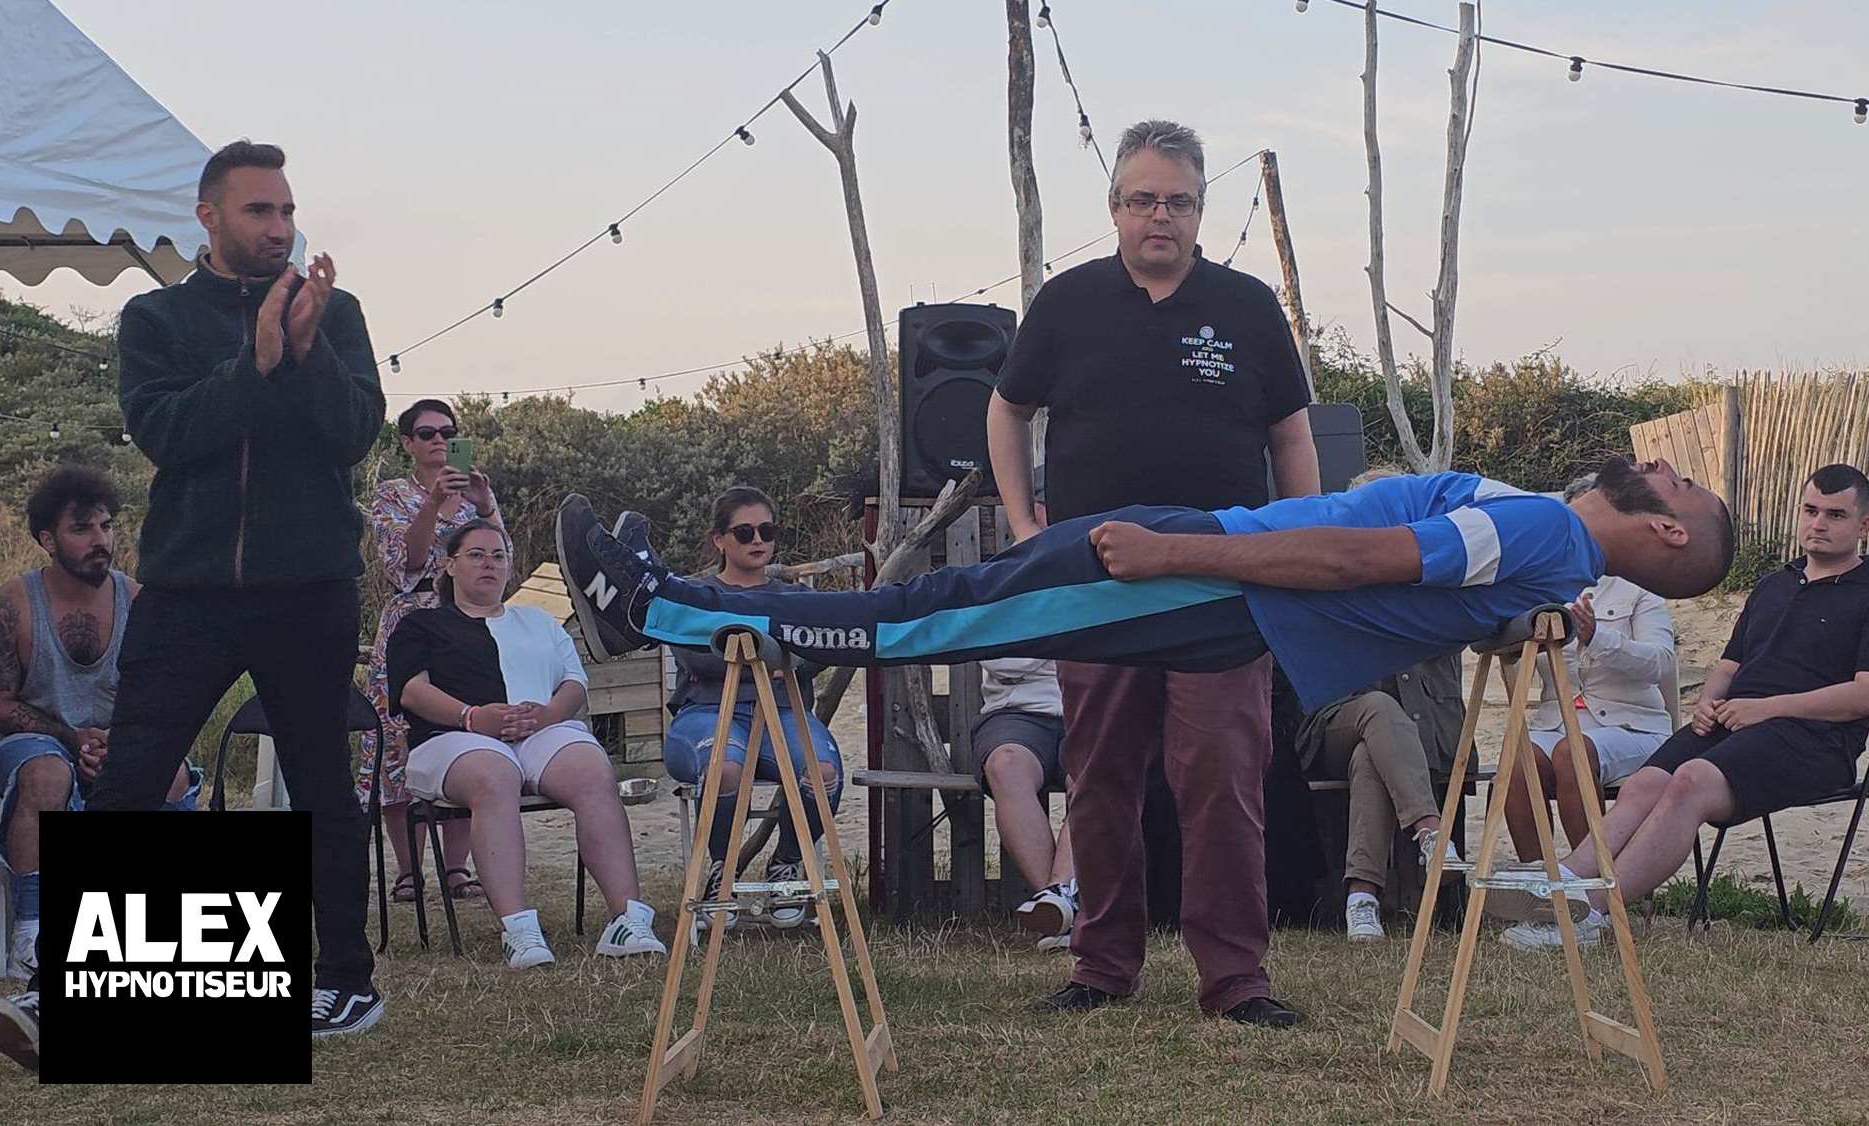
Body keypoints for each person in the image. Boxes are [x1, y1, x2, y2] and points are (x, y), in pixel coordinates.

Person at [558, 457, 1734, 952]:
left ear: (1667, 525)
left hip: (1209, 587)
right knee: (956, 596)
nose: (1651, 465)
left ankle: (654, 606)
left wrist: (1179, 556)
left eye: (1674, 480)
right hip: (1216, 571)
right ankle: (672, 594)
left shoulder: (1543, 532)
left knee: (944, 614)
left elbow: (1358, 560)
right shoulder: (1548, 539)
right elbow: (1441, 566)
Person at [983, 119, 1320, 1027]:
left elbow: (1292, 436)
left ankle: (1237, 980)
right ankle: (1101, 964)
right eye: (1142, 199)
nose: (1159, 215)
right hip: (1096, 584)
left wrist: (1291, 546)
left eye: (1177, 200)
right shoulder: (1066, 303)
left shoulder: (1249, 307)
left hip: (1219, 585)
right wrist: (1024, 528)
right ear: (1115, 209)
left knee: (1222, 779)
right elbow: (1005, 409)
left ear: (1202, 210)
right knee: (1098, 775)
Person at [92, 139, 386, 1038]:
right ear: (208, 216)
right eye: (260, 211)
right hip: (189, 590)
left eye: (289, 211)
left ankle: (345, 980)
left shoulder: (336, 314)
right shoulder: (155, 320)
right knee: (133, 774)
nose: (280, 229)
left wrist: (304, 355)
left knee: (320, 784)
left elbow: (352, 436)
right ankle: (107, 979)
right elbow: (168, 434)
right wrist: (253, 363)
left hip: (310, 589)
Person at [1489, 464, 1869, 949]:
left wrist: (1768, 708)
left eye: (1836, 515)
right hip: (1736, 724)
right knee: (1647, 780)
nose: (1819, 523)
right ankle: (1562, 890)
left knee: (1690, 781)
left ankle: (1592, 917)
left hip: (1816, 740)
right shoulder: (1775, 585)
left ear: (1864, 525)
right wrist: (1708, 702)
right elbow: (1730, 666)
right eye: (1810, 510)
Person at [389, 521, 668, 969]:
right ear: (450, 564)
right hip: (453, 737)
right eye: (476, 555)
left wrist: (548, 716)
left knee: (593, 769)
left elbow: (574, 682)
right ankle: (519, 929)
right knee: (493, 775)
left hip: (541, 732)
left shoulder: (538, 622)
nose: (489, 564)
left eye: (498, 556)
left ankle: (627, 919)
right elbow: (411, 691)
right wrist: (472, 716)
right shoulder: (421, 626)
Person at [0, 468, 200, 980]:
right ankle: (33, 933)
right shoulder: (11, 605)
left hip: (122, 735)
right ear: (48, 539)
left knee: (168, 772)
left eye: (106, 527)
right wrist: (71, 737)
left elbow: (164, 693)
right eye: (82, 530)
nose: (100, 541)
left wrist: (122, 741)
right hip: (36, 740)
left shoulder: (137, 600)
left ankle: (160, 925)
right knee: (46, 773)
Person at [657, 488, 845, 929]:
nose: (758, 540)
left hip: (783, 712)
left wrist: (754, 660)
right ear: (719, 539)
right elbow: (696, 658)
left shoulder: (795, 595)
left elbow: (825, 647)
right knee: (725, 768)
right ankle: (723, 870)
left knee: (823, 772)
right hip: (706, 712)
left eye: (767, 530)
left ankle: (787, 866)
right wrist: (777, 659)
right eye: (744, 532)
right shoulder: (694, 593)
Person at [1501, 473, 1676, 887]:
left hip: (1629, 723)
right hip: (1558, 720)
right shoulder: (1541, 585)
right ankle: (1539, 885)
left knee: (1572, 754)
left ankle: (1592, 885)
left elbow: (1661, 664)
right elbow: (1512, 664)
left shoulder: (1640, 588)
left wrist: (1599, 637)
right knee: (1519, 760)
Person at [361, 398, 501, 904]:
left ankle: (457, 868)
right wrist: (430, 505)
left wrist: (484, 505)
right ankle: (407, 871)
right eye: (426, 433)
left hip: (466, 623)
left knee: (467, 730)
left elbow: (498, 558)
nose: (438, 440)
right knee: (397, 742)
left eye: (448, 431)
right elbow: (405, 565)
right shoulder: (391, 494)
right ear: (407, 444)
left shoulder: (473, 496)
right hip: (411, 621)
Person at [1297, 658, 1465, 942]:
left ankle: (1361, 897)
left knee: (1369, 756)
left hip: (1421, 724)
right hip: (1335, 717)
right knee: (1379, 706)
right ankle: (1431, 831)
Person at [978, 656, 1077, 951]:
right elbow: (1004, 661)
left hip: (1097, 705)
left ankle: (1060, 903)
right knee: (1005, 766)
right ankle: (1061, 904)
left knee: (1095, 773)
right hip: (1016, 711)